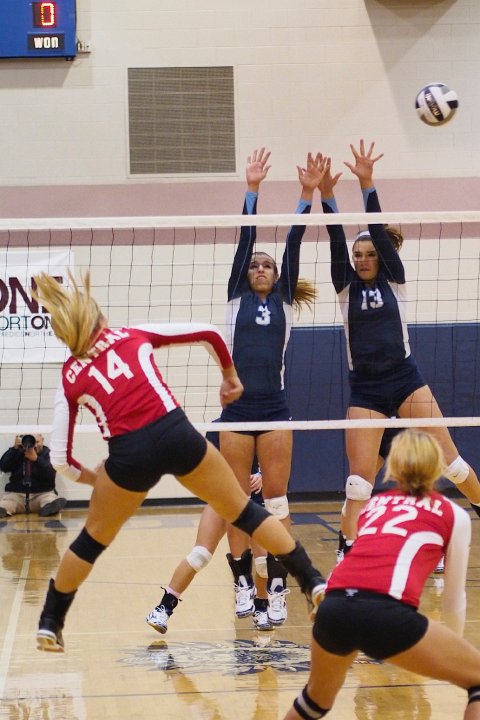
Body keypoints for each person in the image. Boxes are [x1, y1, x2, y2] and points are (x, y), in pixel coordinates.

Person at [32, 270, 326, 653]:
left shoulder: (69, 377)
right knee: (243, 511)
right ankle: (312, 581)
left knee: (91, 540)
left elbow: (60, 460)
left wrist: (94, 480)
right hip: (175, 433)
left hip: (128, 455)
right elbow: (209, 333)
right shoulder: (131, 336)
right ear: (99, 317)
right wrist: (230, 377)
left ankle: (50, 622)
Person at [318, 140, 480, 558]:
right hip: (367, 390)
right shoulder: (345, 287)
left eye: (370, 254)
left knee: (453, 465)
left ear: (381, 257)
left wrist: (367, 183)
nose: (363, 259)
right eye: (358, 255)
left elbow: (378, 232)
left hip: (406, 380)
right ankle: (347, 549)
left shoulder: (394, 280)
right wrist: (328, 196)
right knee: (359, 484)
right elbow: (335, 240)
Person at [283, 429, 480, 720]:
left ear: (394, 466)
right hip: (386, 612)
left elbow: (363, 561)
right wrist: (454, 650)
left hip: (333, 607)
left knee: (314, 701)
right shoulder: (453, 514)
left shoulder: (373, 506)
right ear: (437, 466)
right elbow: (452, 603)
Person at [219, 147, 325, 626]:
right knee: (237, 503)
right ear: (246, 274)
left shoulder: (283, 300)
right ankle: (243, 583)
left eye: (267, 265)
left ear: (278, 276)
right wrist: (252, 189)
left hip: (275, 410)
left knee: (278, 503)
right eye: (254, 265)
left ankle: (278, 589)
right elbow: (246, 238)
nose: (260, 267)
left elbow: (294, 242)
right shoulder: (236, 298)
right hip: (237, 413)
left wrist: (307, 194)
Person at [0, 433, 66, 517]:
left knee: (49, 500)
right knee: (6, 504)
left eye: (37, 442)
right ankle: (3, 510)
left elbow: (51, 473)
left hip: (42, 494)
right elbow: (3, 467)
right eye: (30, 442)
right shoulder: (17, 452)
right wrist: (14, 449)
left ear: (42, 440)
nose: (34, 445)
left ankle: (49, 508)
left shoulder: (48, 454)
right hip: (17, 495)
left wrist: (36, 459)